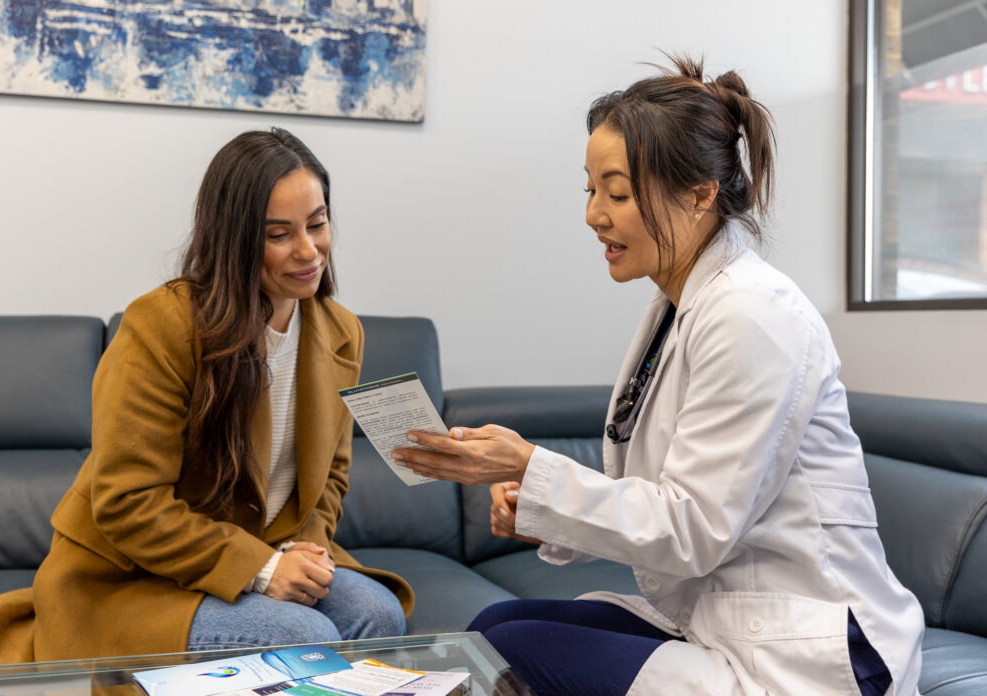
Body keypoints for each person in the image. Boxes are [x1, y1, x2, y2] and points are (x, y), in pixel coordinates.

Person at [391, 57, 924, 696]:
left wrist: (533, 469)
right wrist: (539, 511)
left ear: (701, 193)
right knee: (494, 627)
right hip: (725, 621)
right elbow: (658, 494)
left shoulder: (753, 314)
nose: (594, 215)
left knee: (505, 648)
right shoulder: (678, 306)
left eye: (616, 193)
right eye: (590, 190)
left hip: (822, 654)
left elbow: (692, 528)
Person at [0, 128, 413, 663]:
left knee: (380, 615)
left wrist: (302, 552)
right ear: (233, 238)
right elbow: (126, 502)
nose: (309, 250)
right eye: (279, 234)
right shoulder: (162, 326)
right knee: (302, 636)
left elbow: (331, 477)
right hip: (137, 577)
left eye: (318, 223)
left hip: (260, 553)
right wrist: (260, 570)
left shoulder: (342, 331)